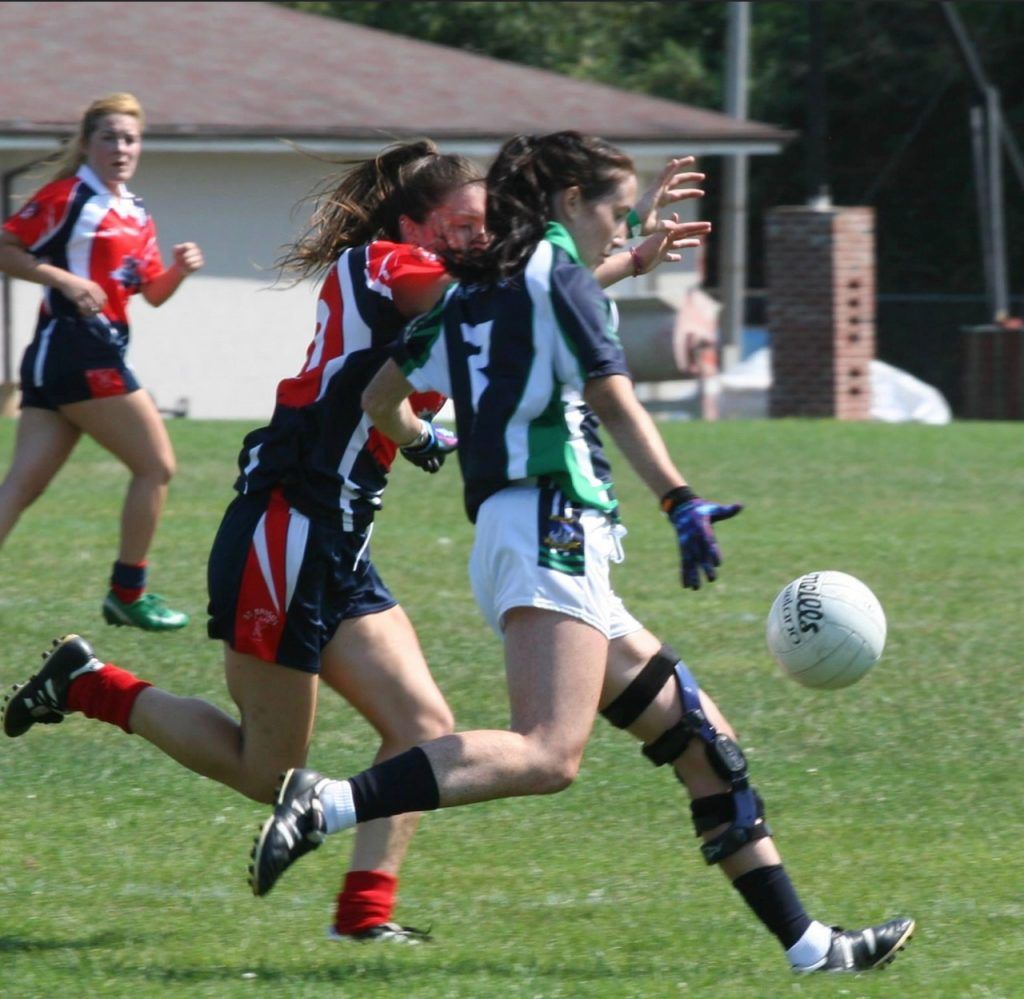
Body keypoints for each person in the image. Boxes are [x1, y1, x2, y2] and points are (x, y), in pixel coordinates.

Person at [1, 139, 713, 942]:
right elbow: (499, 298)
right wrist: (611, 261)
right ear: (414, 224)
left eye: (490, 224)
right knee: (264, 771)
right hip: (289, 525)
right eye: (466, 224)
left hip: (338, 539)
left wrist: (622, 260)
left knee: (421, 724)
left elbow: (506, 306)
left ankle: (362, 918)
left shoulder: (447, 284)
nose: (484, 236)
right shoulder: (386, 263)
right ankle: (88, 682)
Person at [244, 131, 915, 974]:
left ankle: (815, 948)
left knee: (704, 743)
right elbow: (612, 394)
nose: (623, 218)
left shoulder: (485, 288)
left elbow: (383, 396)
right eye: (613, 205)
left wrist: (426, 438)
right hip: (550, 529)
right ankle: (329, 803)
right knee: (547, 753)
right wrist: (679, 499)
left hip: (532, 534)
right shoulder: (545, 278)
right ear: (567, 203)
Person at [0, 93, 203, 631]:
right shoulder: (67, 196)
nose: (121, 147)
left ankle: (126, 594)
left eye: (130, 138)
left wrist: (179, 270)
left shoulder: (135, 212)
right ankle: (127, 593)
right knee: (156, 466)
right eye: (110, 137)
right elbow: (5, 247)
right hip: (74, 347)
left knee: (22, 484)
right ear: (87, 143)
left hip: (72, 355)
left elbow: (151, 293)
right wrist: (62, 277)